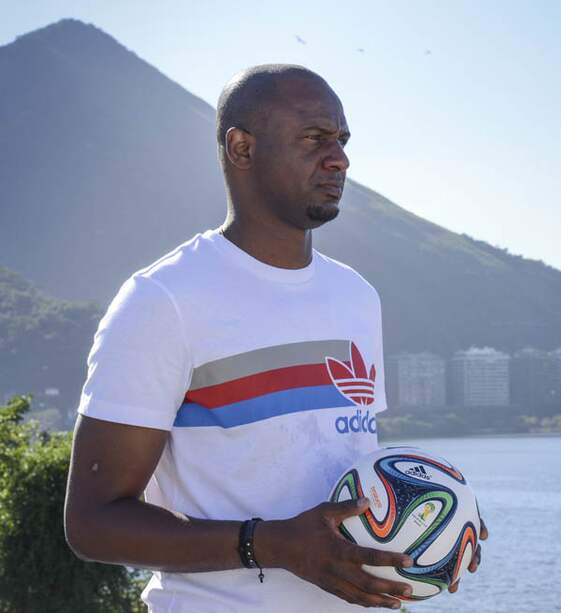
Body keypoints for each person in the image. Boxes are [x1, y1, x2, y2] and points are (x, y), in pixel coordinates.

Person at [64, 64, 485, 612]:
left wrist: (443, 518)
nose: (339, 158)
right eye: (314, 138)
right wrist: (269, 545)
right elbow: (93, 522)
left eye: (342, 139)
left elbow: (344, 464)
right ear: (241, 148)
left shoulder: (356, 296)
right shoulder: (162, 301)